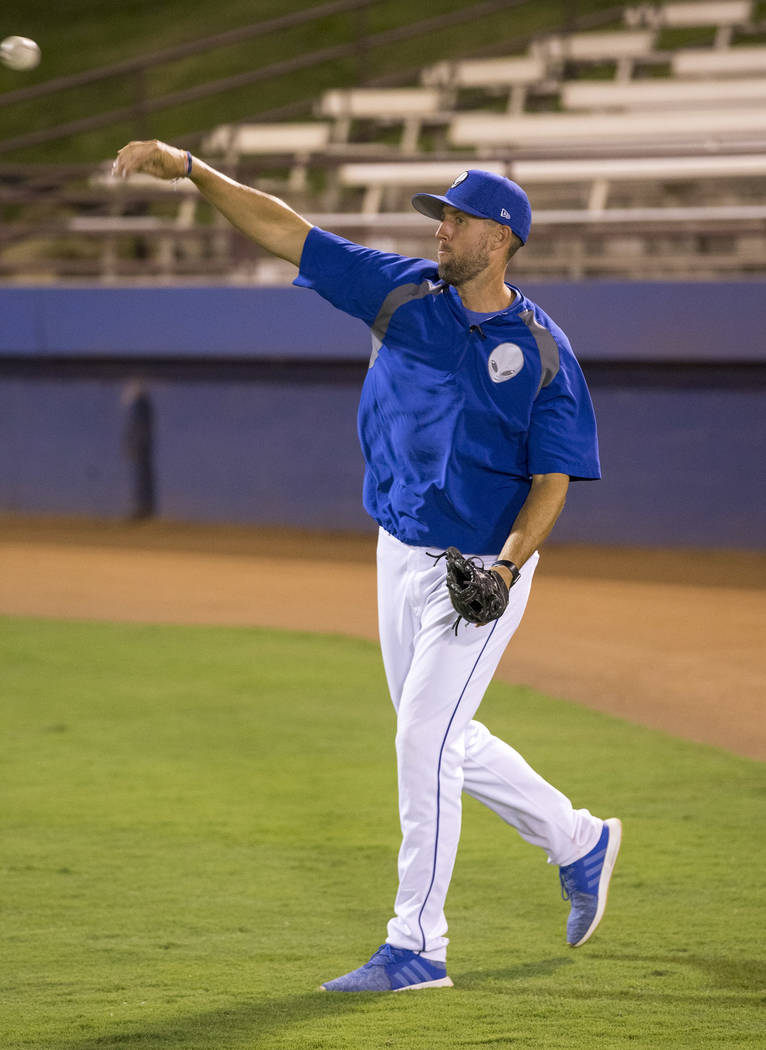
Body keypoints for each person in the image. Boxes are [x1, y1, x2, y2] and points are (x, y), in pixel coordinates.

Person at [113, 141, 622, 993]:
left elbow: (553, 481)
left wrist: (504, 568)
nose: (441, 229)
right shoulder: (402, 294)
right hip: (397, 550)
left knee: (423, 737)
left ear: (500, 238)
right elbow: (290, 233)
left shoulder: (542, 351)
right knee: (445, 736)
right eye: (441, 216)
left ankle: (418, 946)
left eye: (454, 219)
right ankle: (579, 841)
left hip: (481, 574)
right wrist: (196, 170)